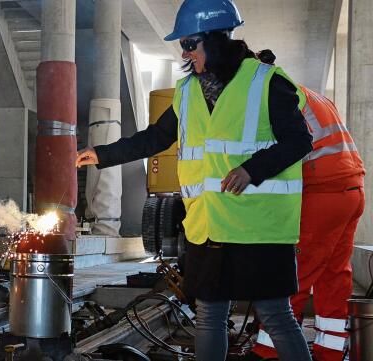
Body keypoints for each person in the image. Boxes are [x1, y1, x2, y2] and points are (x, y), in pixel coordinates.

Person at [76, 1, 313, 360]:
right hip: (208, 226)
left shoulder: (267, 82)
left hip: (259, 228)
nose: (185, 52)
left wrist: (251, 169)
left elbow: (299, 140)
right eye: (183, 45)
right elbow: (156, 138)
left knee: (276, 316)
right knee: (209, 316)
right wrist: (102, 154)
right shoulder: (188, 91)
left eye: (190, 43)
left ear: (216, 40)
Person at [246, 50, 366, 361]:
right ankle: (330, 352)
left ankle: (267, 352)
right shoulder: (313, 96)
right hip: (350, 191)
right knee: (334, 275)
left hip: (323, 193)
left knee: (294, 275)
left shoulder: (280, 97)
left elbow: (283, 151)